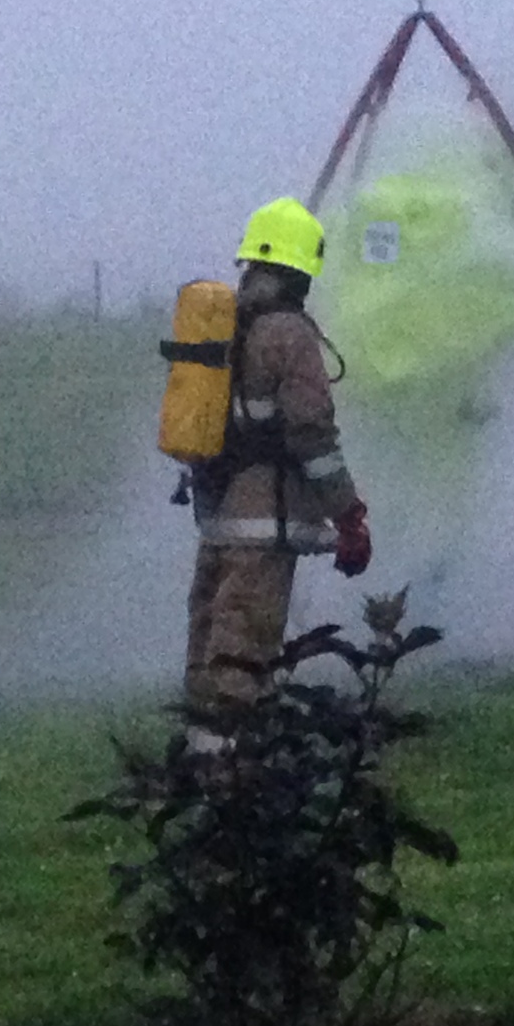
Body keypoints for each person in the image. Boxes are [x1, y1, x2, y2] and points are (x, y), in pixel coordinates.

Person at [183, 197, 373, 728]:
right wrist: (348, 512)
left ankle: (198, 763)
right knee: (243, 653)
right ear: (299, 268)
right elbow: (311, 432)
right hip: (265, 523)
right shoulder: (288, 334)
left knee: (207, 646)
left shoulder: (221, 325)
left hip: (217, 513)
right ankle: (232, 772)